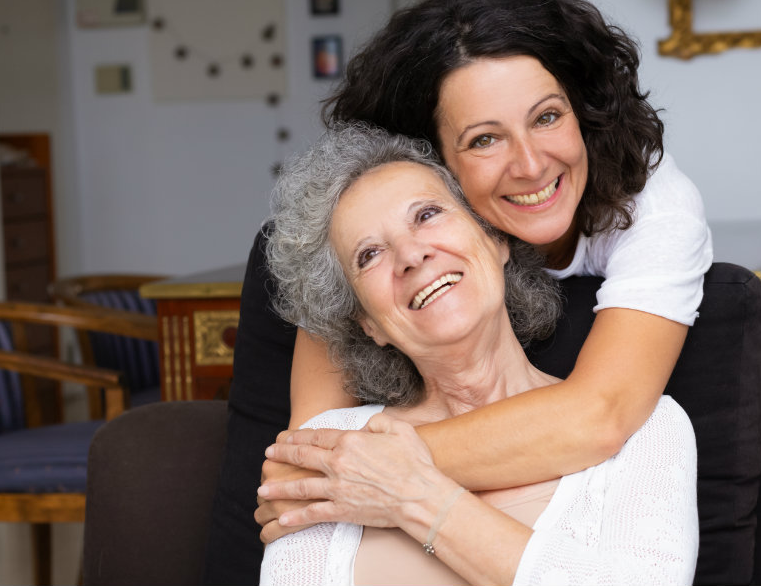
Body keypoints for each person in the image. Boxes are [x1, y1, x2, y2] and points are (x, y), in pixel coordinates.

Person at [200, 0, 712, 583]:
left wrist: (385, 478)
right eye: (485, 138)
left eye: (547, 117)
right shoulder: (380, 250)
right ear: (435, 162)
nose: (529, 163)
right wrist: (338, 466)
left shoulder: (657, 212)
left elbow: (600, 416)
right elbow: (306, 466)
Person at [259, 123, 698, 585]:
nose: (410, 254)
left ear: (496, 239)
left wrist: (417, 498)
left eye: (427, 214)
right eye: (369, 254)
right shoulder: (329, 450)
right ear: (367, 323)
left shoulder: (644, 429)